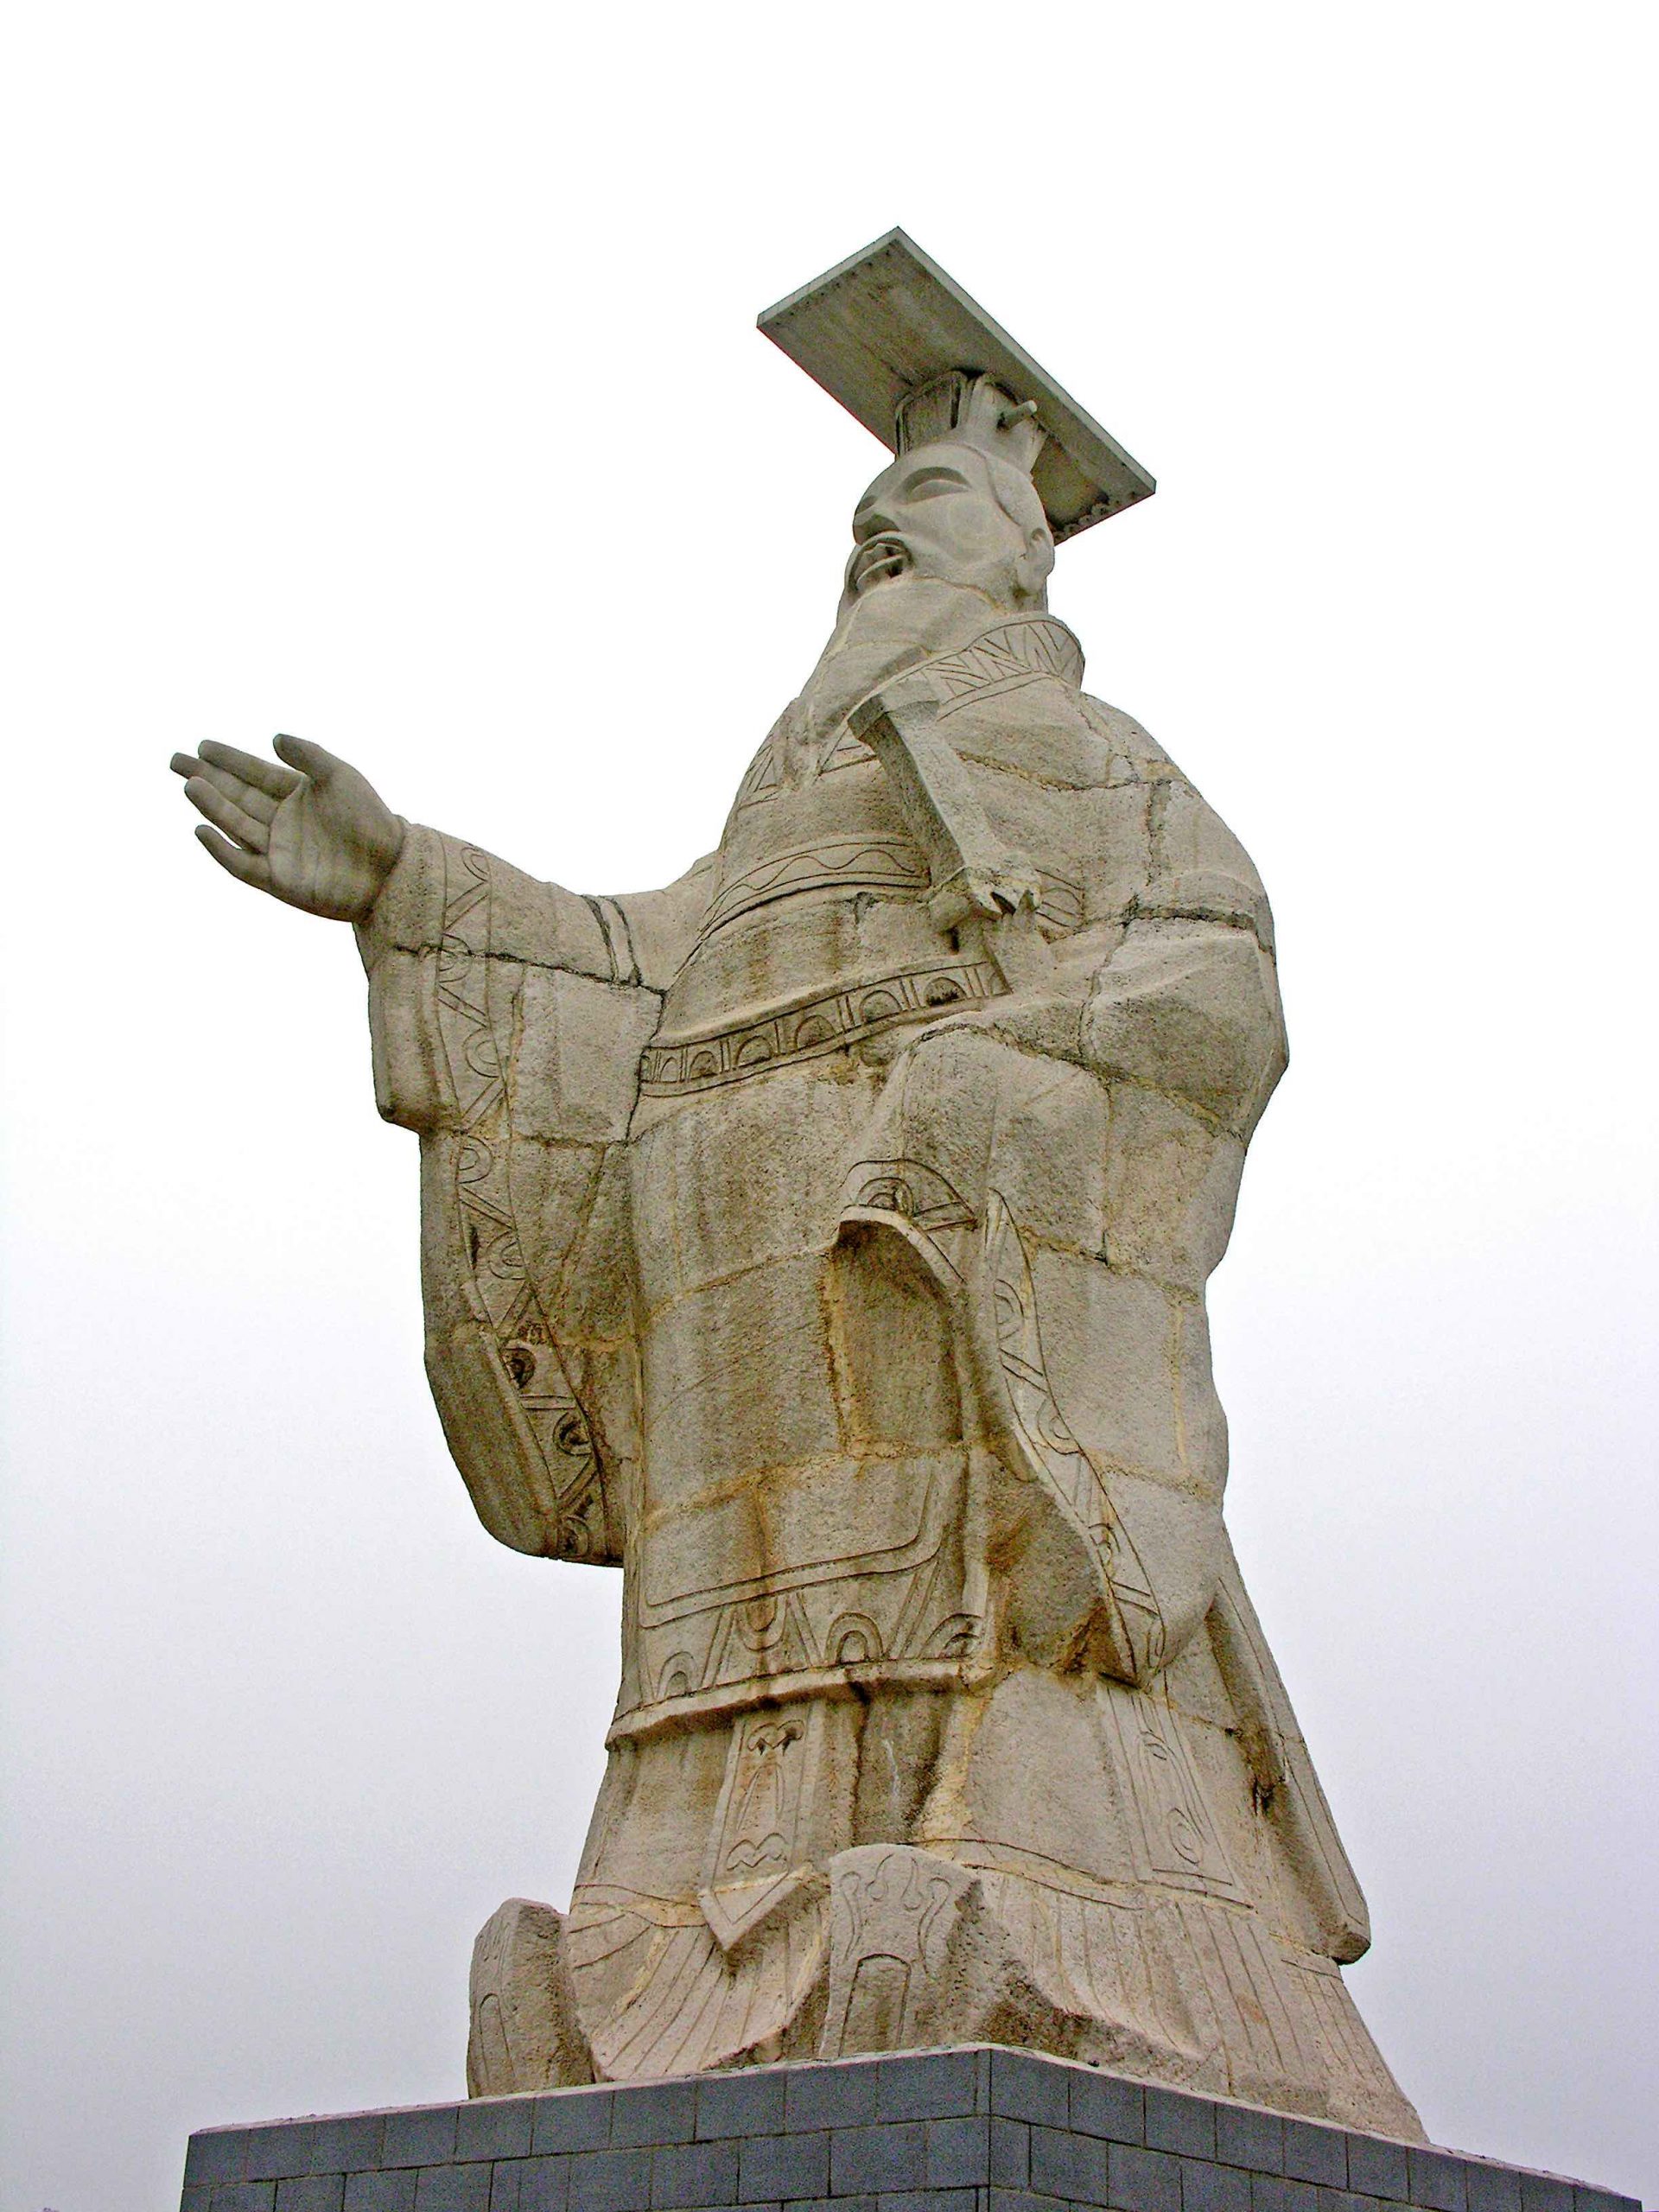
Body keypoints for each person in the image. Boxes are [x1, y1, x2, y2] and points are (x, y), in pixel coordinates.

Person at [171, 374, 1421, 2134]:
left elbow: (1216, 967)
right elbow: (636, 952)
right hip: (734, 1317)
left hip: (906, 1246)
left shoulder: (1072, 750)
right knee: (736, 1649)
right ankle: (667, 1961)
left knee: (962, 1628)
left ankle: (1023, 1905)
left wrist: (1000, 1083)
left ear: (1024, 562)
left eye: (921, 502)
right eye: (862, 523)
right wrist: (412, 883)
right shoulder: (795, 789)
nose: (875, 536)